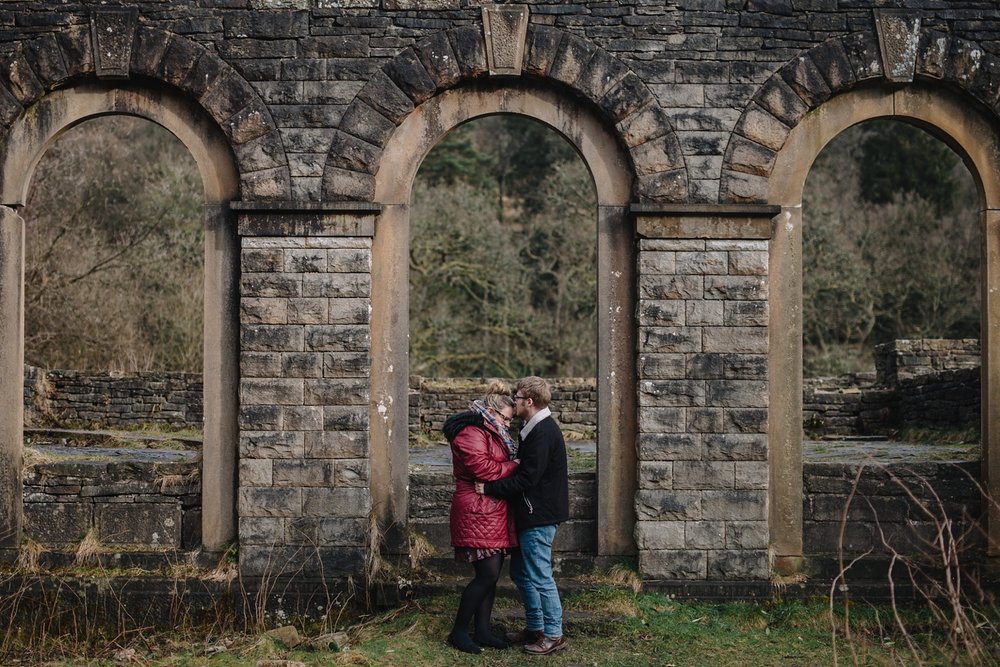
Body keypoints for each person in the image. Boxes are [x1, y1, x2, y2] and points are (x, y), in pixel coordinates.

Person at [476, 375, 569, 656]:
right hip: (529, 514)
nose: (513, 402)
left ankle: (554, 634)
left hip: (538, 515)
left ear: (529, 401)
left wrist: (490, 487)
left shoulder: (543, 432)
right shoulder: (532, 428)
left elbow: (528, 478)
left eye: (516, 398)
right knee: (521, 573)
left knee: (540, 576)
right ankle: (535, 627)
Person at [443, 380, 520, 654]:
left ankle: (483, 631)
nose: (509, 424)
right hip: (476, 508)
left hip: (491, 509)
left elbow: (491, 467)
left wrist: (506, 466)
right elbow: (483, 469)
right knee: (486, 574)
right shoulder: (470, 431)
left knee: (492, 573)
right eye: (506, 418)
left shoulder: (491, 430)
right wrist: (515, 465)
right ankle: (459, 632)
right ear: (492, 410)